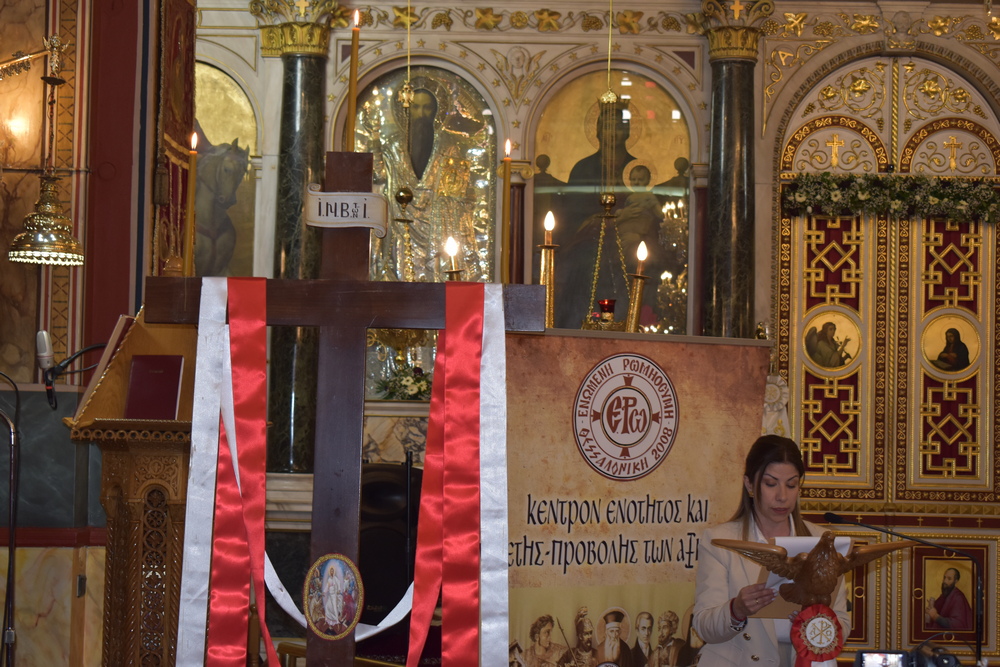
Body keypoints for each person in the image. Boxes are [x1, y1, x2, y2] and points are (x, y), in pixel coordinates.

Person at [692, 435, 851, 666]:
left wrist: (817, 626)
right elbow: (704, 627)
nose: (782, 496)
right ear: (749, 484)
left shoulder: (822, 541)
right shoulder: (720, 541)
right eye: (770, 483)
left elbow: (842, 624)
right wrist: (736, 609)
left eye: (791, 485)